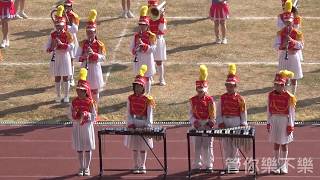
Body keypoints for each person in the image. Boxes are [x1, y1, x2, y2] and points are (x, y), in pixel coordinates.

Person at [124, 65, 156, 174]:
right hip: (134, 123)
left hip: (144, 124)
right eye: (136, 86)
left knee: (143, 147)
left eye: (140, 86)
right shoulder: (130, 98)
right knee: (135, 146)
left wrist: (147, 126)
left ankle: (142, 165)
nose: (137, 88)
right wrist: (131, 124)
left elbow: (150, 114)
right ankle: (135, 165)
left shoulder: (148, 99)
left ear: (143, 87)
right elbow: (128, 113)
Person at [216, 64, 248, 174]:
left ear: (235, 86)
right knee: (226, 146)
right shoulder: (222, 97)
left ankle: (234, 166)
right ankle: (227, 165)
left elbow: (243, 113)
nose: (229, 88)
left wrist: (243, 124)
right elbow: (218, 112)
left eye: (231, 86)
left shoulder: (240, 99)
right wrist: (220, 122)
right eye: (227, 85)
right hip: (225, 121)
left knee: (235, 146)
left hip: (236, 121)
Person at [68, 68, 97, 176]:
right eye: (78, 90)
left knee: (88, 148)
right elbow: (69, 114)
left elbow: (94, 116)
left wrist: (86, 115)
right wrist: (74, 116)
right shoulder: (74, 101)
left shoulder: (90, 103)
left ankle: (87, 167)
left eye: (81, 90)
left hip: (87, 127)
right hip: (77, 127)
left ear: (85, 91)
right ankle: (81, 167)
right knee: (79, 148)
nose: (79, 92)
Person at [267, 70, 296, 174]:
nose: (277, 86)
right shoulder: (270, 95)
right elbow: (268, 110)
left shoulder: (290, 97)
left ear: (284, 85)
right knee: (276, 143)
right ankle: (276, 165)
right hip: (274, 119)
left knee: (284, 143)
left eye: (280, 85)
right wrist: (268, 122)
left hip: (284, 120)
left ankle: (284, 166)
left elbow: (292, 112)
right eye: (276, 84)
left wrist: (290, 125)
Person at [189, 65, 216, 172]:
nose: (200, 92)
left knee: (208, 145)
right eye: (199, 90)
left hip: (207, 124)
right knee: (197, 145)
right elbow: (190, 114)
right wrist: (194, 122)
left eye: (202, 90)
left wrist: (211, 122)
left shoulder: (210, 100)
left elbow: (213, 114)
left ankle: (209, 164)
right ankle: (197, 164)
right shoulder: (192, 100)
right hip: (197, 124)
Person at [76, 9, 106, 104]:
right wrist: (84, 56)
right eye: (88, 32)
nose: (90, 34)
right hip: (85, 68)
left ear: (95, 32)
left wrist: (94, 54)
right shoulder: (82, 44)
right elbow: (76, 57)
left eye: (91, 32)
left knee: (95, 90)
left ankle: (95, 109)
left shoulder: (100, 44)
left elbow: (103, 58)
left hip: (95, 68)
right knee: (85, 90)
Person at [46, 5, 74, 103]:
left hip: (65, 56)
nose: (58, 27)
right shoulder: (52, 34)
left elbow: (72, 47)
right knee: (57, 77)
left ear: (63, 25)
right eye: (57, 25)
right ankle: (58, 96)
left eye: (60, 25)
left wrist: (63, 45)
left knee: (66, 76)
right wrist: (52, 46)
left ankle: (66, 96)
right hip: (56, 56)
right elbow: (47, 48)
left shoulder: (68, 34)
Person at [274, 10, 303, 95]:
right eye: (286, 22)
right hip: (283, 56)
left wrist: (292, 41)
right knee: (283, 77)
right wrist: (283, 44)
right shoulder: (280, 33)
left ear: (292, 21)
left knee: (294, 77)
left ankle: (293, 96)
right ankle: (285, 94)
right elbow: (276, 46)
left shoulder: (298, 33)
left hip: (294, 56)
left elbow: (301, 46)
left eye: (289, 22)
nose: (288, 24)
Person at [130, 5, 156, 94]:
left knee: (147, 76)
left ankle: (147, 94)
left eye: (143, 25)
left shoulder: (151, 36)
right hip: (139, 58)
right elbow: (131, 49)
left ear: (147, 25)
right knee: (139, 76)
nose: (141, 26)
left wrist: (144, 46)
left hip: (147, 58)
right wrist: (137, 47)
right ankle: (139, 93)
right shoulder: (136, 36)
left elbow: (153, 49)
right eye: (140, 24)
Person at [148, 0, 167, 86]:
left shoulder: (161, 18)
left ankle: (161, 78)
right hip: (149, 39)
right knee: (149, 59)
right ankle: (150, 77)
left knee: (159, 61)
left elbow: (162, 29)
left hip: (158, 39)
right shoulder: (146, 17)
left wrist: (162, 17)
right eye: (151, 7)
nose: (153, 9)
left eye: (155, 7)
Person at [64, 0, 80, 86]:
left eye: (68, 6)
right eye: (65, 6)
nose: (67, 7)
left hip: (71, 39)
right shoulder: (60, 15)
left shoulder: (74, 16)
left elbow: (75, 30)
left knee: (71, 59)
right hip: (62, 38)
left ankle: (71, 78)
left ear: (71, 6)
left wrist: (66, 27)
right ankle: (65, 77)